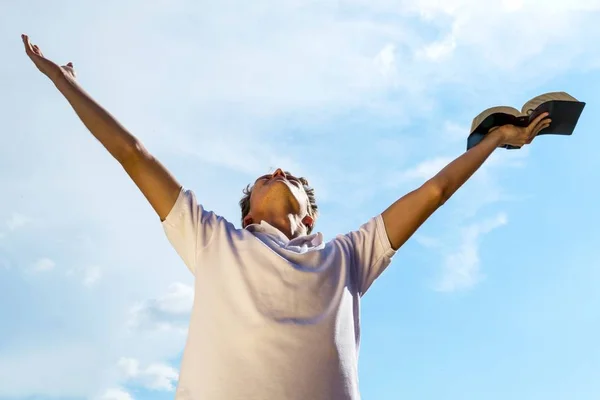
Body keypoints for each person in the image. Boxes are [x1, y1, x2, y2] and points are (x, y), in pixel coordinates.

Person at [22, 34, 551, 400]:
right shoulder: (212, 240)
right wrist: (64, 82)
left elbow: (434, 191)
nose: (277, 170)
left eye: (292, 177)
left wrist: (500, 138)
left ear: (311, 215)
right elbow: (133, 153)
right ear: (247, 212)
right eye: (265, 176)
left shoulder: (347, 256)